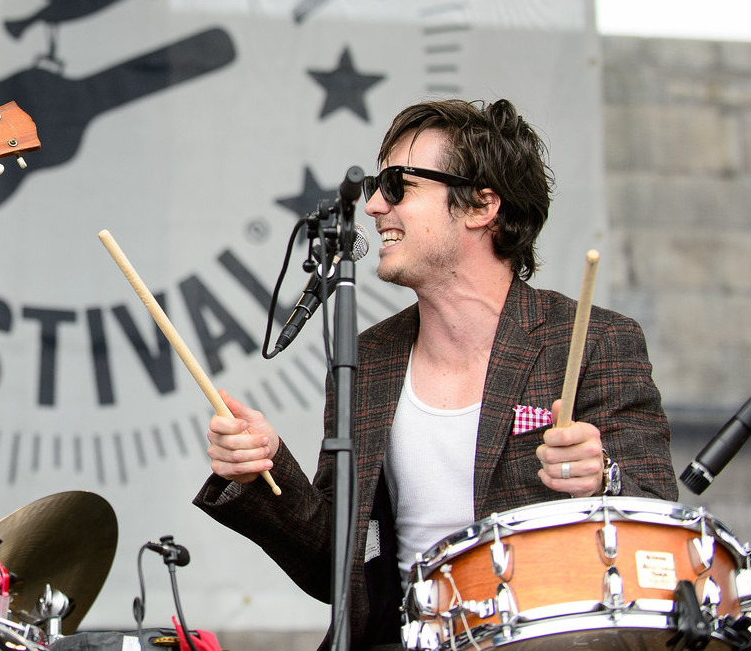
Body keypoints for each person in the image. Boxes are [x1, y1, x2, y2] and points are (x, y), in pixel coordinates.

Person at [196, 98, 676, 651]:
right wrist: (262, 468)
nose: (374, 205)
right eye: (375, 185)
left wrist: (601, 478)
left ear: (481, 206)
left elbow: (660, 528)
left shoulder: (593, 340)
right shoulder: (368, 358)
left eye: (397, 185)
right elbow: (338, 569)